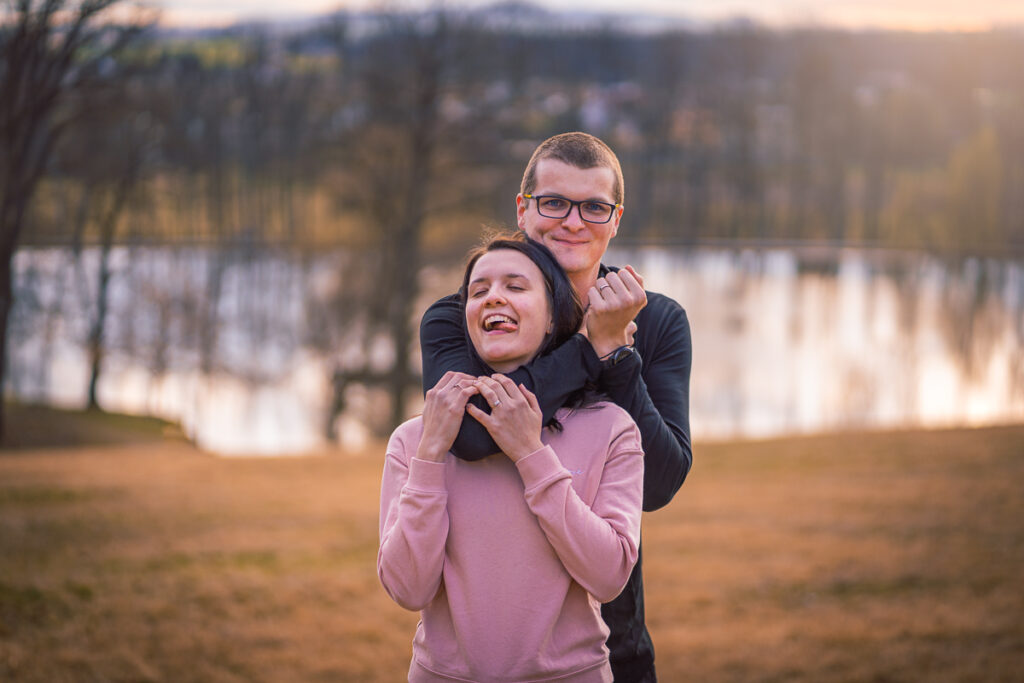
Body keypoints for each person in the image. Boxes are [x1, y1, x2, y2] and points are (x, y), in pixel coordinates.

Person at [420, 132, 693, 681]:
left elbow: (659, 484)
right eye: (554, 203)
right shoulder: (465, 318)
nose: (573, 221)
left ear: (616, 219)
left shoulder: (659, 320)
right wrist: (590, 347)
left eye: (594, 206)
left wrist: (619, 353)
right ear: (523, 210)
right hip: (476, 653)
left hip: (612, 645)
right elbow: (472, 437)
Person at [379, 233, 645, 682]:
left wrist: (530, 454)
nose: (492, 297)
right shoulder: (413, 441)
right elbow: (407, 589)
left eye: (515, 287)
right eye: (478, 291)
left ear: (551, 319)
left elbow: (609, 576)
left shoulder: (611, 429)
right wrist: (429, 456)